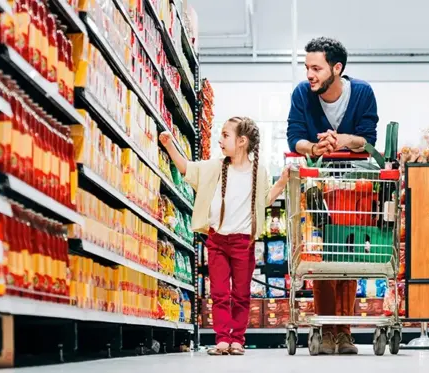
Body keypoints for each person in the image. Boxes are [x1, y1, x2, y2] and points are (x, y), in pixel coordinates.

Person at [160, 117, 289, 356]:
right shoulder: (215, 167)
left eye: (225, 135)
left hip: (243, 242)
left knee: (241, 294)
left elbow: (263, 202)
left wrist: (281, 183)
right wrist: (169, 146)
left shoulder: (258, 172)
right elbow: (187, 168)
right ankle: (222, 339)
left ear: (242, 141)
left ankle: (237, 339)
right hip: (217, 240)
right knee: (219, 292)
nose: (220, 140)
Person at [286, 37, 379, 355]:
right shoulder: (302, 93)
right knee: (323, 255)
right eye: (307, 67)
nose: (309, 74)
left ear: (336, 68)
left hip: (355, 185)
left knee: (349, 254)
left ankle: (345, 332)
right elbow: (294, 135)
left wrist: (342, 140)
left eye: (316, 68)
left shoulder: (363, 93)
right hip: (318, 183)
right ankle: (327, 330)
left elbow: (368, 139)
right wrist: (313, 147)